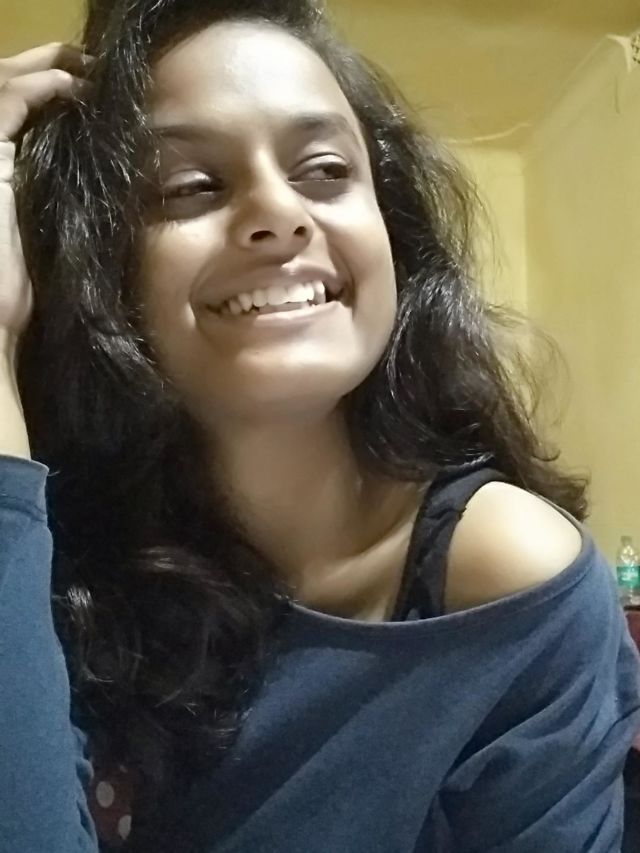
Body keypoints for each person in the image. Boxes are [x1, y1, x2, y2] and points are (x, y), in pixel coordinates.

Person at [1, 1, 639, 850]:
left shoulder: (508, 584)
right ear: (91, 266)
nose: (281, 212)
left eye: (327, 170)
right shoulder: (44, 555)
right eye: (191, 186)